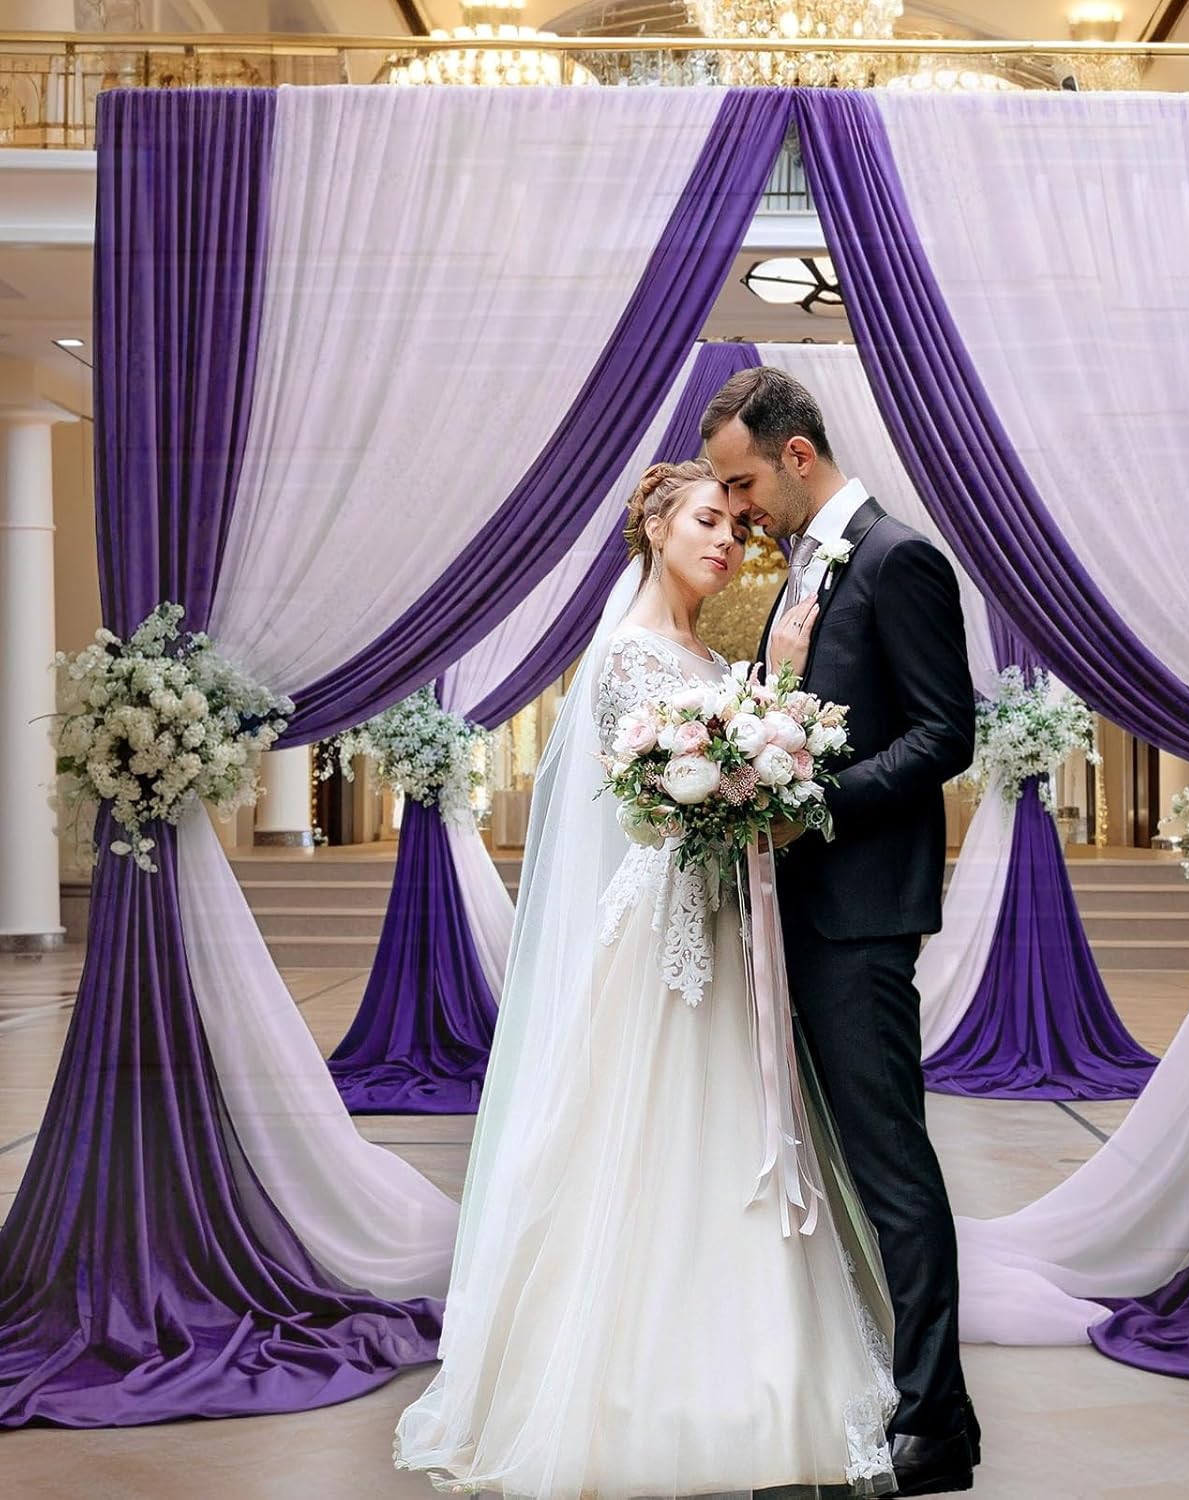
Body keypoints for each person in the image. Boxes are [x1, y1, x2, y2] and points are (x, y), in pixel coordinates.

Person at [394, 459, 899, 1498]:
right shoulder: (628, 656)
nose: (726, 541)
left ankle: (758, 1381)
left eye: (735, 528)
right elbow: (666, 814)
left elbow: (740, 778)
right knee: (649, 1141)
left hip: (728, 924)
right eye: (707, 521)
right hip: (668, 928)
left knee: (739, 1136)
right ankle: (634, 1395)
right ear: (657, 530)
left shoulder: (708, 658)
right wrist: (762, 724)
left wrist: (773, 694)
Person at [704, 367, 980, 1497]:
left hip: (860, 913)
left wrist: (811, 802)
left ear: (797, 454)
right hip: (802, 906)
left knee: (890, 1162)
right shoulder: (804, 568)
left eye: (742, 482)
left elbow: (945, 734)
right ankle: (874, 1381)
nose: (738, 507)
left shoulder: (897, 559)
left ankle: (937, 1424)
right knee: (841, 1160)